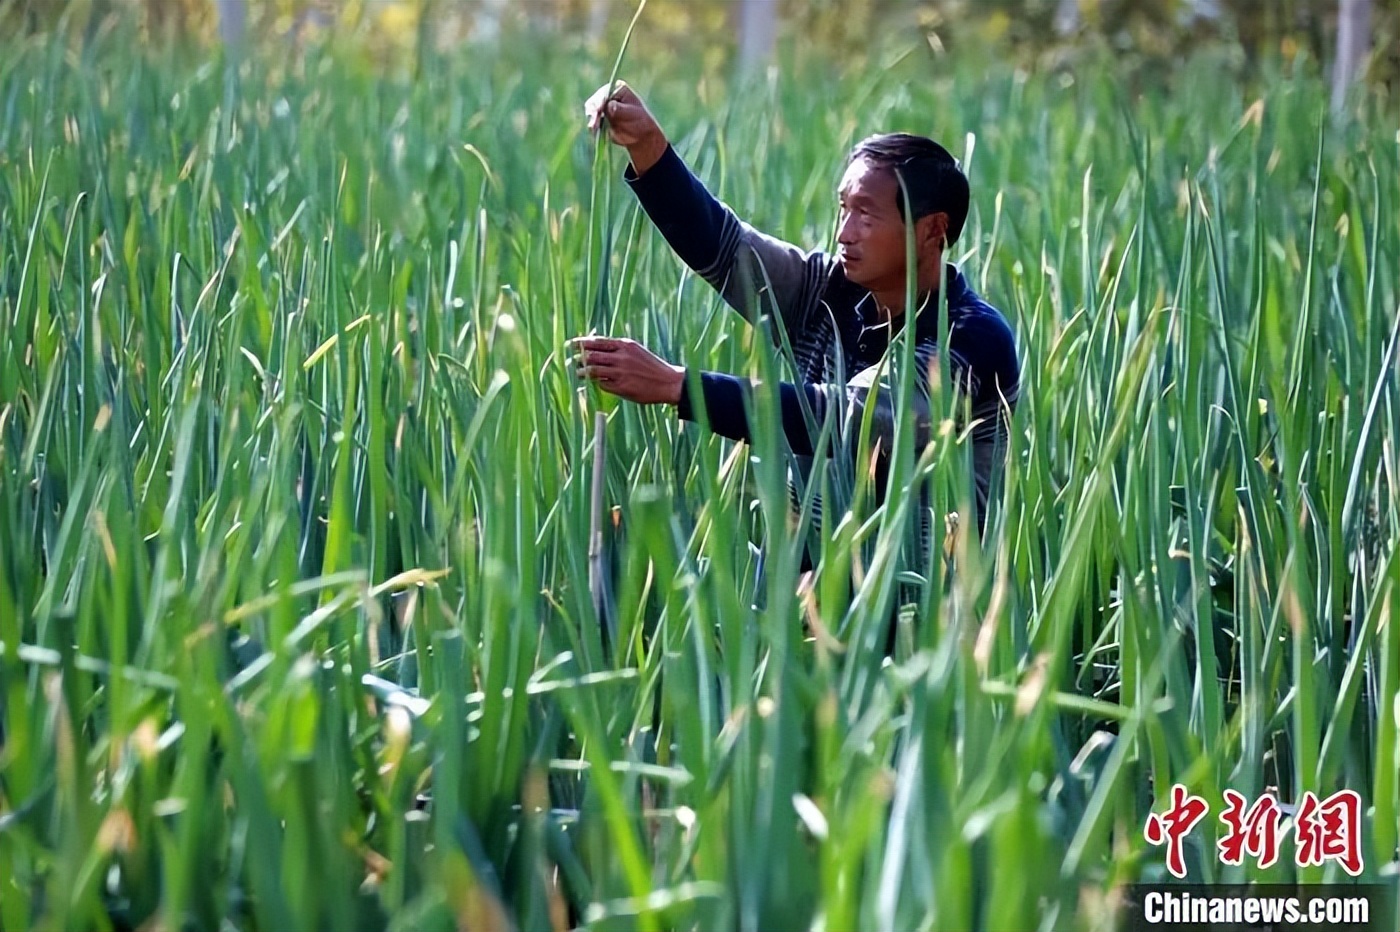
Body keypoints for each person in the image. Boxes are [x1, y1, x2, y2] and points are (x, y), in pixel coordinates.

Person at [573, 81, 1020, 628]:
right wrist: (648, 148)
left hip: (925, 614)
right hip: (812, 592)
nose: (844, 233)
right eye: (842, 209)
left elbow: (851, 420)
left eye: (866, 215)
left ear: (932, 231)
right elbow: (727, 249)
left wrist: (676, 387)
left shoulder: (970, 340)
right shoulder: (829, 291)